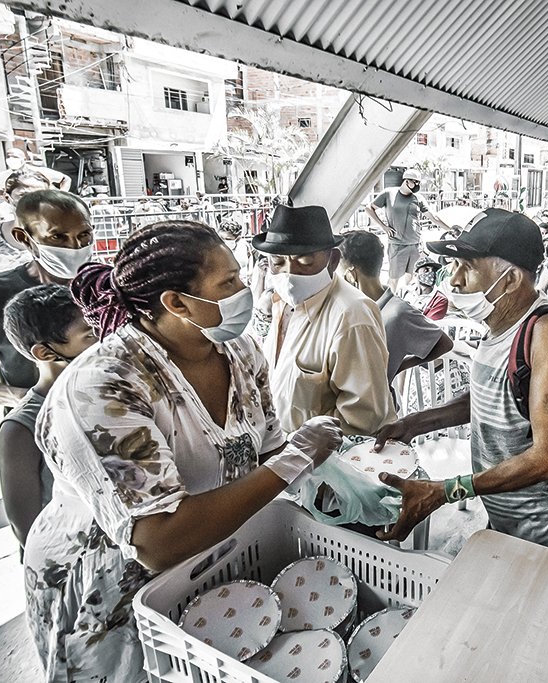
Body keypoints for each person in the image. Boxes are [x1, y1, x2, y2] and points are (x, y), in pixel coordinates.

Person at [23, 220, 343, 681]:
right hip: (113, 573)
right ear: (176, 302)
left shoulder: (239, 350)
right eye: (228, 282)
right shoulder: (105, 385)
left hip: (211, 547)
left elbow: (266, 448)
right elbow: (157, 541)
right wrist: (296, 459)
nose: (243, 289)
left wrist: (328, 480)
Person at [371, 209, 548, 546]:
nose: (453, 280)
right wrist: (413, 424)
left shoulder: (547, 334)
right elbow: (493, 398)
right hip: (502, 511)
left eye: (467, 268)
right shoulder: (499, 323)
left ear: (511, 279)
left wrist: (448, 490)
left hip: (539, 528)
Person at [255, 205, 396, 435]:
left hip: (329, 461)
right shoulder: (282, 303)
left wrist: (298, 451)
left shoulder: (351, 316)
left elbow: (363, 417)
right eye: (278, 263)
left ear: (332, 260)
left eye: (305, 261)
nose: (291, 274)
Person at [0, 190, 93, 407]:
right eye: (57, 236)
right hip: (37, 425)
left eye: (84, 234)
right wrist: (33, 402)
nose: (75, 246)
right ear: (24, 237)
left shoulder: (111, 285)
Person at [0, 284, 97, 547]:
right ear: (45, 352)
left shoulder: (110, 393)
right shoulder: (21, 427)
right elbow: (27, 528)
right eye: (90, 335)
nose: (105, 340)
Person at [338, 231, 453, 385]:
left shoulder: (398, 314)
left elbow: (444, 344)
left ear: (351, 274)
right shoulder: (353, 307)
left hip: (374, 405)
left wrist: (400, 366)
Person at [366, 169, 449, 291]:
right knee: (393, 278)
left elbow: (433, 217)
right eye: (414, 182)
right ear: (406, 181)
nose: (416, 185)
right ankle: (390, 302)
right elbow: (369, 208)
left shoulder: (418, 198)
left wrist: (450, 229)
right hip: (397, 244)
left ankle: (408, 300)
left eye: (418, 182)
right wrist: (383, 226)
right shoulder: (389, 194)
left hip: (415, 244)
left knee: (412, 277)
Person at [0, 169, 51, 277]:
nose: (33, 201)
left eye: (40, 195)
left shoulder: (65, 233)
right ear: (7, 198)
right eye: (23, 195)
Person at [0, 148, 70, 195]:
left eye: (15, 157)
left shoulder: (39, 171)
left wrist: (61, 194)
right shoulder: (4, 176)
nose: (11, 159)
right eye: (8, 157)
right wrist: (2, 191)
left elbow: (65, 179)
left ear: (24, 159)